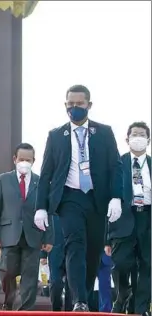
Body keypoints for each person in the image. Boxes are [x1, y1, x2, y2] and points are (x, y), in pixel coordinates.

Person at [35, 84, 123, 312]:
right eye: (70, 104)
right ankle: (79, 300)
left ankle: (83, 295)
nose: (75, 108)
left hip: (96, 198)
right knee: (75, 244)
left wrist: (116, 197)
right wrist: (41, 207)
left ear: (89, 105)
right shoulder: (56, 136)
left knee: (92, 251)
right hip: (69, 198)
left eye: (79, 104)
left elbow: (115, 167)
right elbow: (46, 174)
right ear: (65, 106)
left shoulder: (104, 132)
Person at [0, 143, 53, 311]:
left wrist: (48, 237)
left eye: (28, 160)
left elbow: (48, 210)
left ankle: (25, 310)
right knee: (8, 271)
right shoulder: (3, 180)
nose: (25, 162)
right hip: (9, 234)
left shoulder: (41, 182)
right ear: (15, 159)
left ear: (34, 161)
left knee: (30, 276)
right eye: (22, 159)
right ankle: (8, 303)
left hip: (33, 235)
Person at [107, 121, 151, 315]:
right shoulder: (117, 164)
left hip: (147, 219)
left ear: (148, 140)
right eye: (135, 134)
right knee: (121, 264)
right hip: (123, 219)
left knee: (147, 266)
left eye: (142, 134)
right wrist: (106, 235)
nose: (138, 137)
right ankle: (123, 294)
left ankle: (140, 309)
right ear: (127, 139)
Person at [44, 215, 72, 311]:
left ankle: (69, 311)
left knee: (72, 284)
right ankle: (56, 309)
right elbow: (44, 230)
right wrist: (42, 255)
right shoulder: (52, 210)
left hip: (73, 251)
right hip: (55, 251)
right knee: (55, 282)